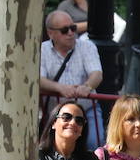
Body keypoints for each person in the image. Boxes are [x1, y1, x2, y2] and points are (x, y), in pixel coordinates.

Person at [40, 11, 104, 143]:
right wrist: (60, 88)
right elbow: (39, 80)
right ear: (50, 33)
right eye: (64, 30)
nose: (70, 33)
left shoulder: (87, 46)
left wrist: (87, 86)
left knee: (94, 144)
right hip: (55, 113)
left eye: (73, 28)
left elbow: (97, 73)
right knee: (53, 150)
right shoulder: (42, 50)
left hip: (87, 109)